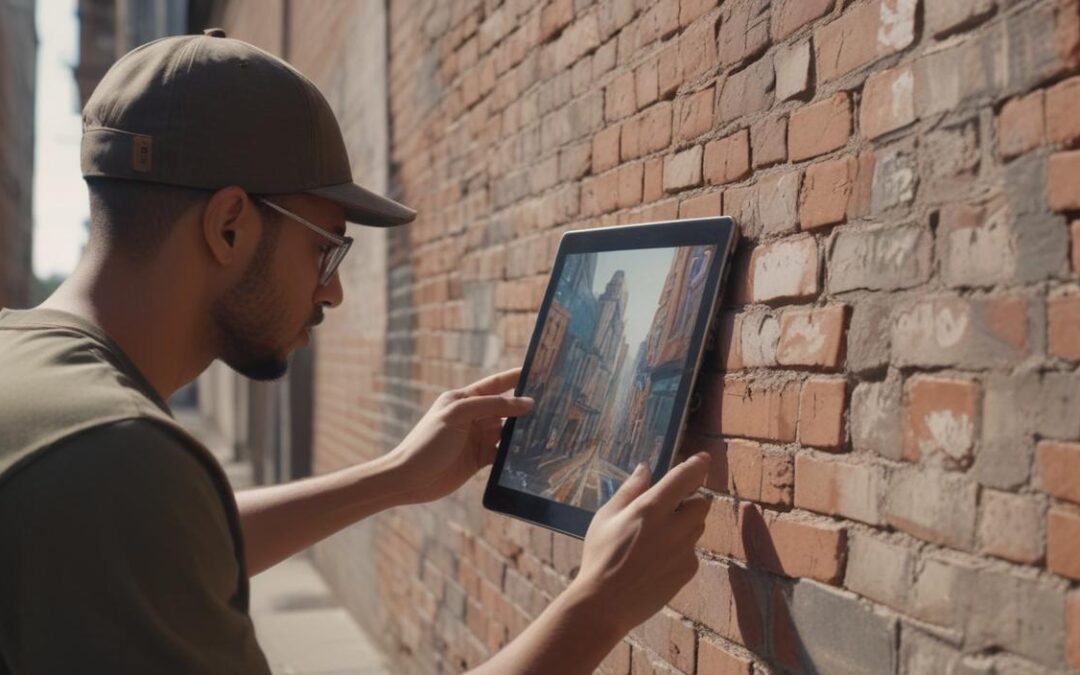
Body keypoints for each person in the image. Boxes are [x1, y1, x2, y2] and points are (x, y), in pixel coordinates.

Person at [0, 30, 712, 674]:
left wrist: (395, 476)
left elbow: (165, 552)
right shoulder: (114, 455)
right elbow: (138, 519)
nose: (333, 291)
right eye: (325, 248)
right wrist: (598, 607)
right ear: (227, 227)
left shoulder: (36, 383)